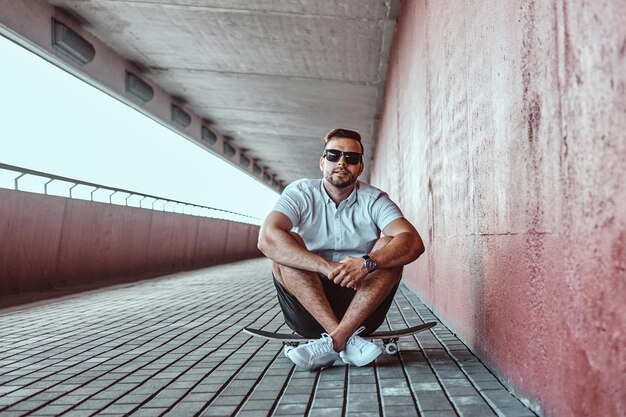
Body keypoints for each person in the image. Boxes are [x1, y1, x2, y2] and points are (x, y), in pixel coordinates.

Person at [257, 128, 424, 371]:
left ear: (360, 167)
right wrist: (327, 268)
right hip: (308, 308)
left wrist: (367, 263)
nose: (342, 162)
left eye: (351, 158)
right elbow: (267, 239)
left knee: (390, 246)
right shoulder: (300, 193)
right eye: (334, 155)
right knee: (285, 245)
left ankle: (335, 341)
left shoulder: (374, 199)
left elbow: (413, 242)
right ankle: (346, 341)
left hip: (361, 309)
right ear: (322, 161)